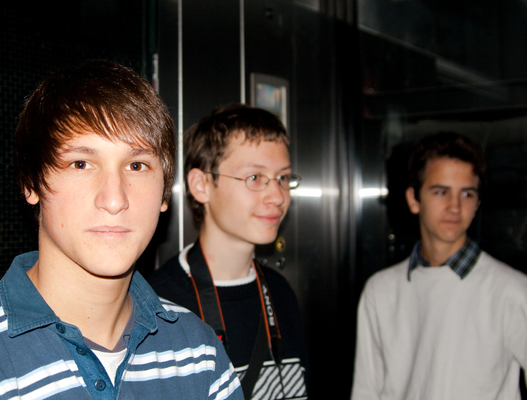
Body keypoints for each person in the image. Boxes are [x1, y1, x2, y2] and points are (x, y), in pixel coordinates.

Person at [0, 60, 243, 400]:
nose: (114, 200)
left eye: (136, 165)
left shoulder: (200, 353)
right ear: (31, 183)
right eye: (81, 164)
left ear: (165, 192)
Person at [147, 104, 308, 400]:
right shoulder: (158, 306)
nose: (277, 196)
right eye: (255, 178)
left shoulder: (280, 292)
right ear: (201, 185)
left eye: (283, 178)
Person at [351, 132, 527, 400]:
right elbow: (366, 392)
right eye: (441, 192)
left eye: (467, 194)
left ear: (477, 203)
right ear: (414, 199)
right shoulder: (380, 291)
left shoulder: (512, 291)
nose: (455, 206)